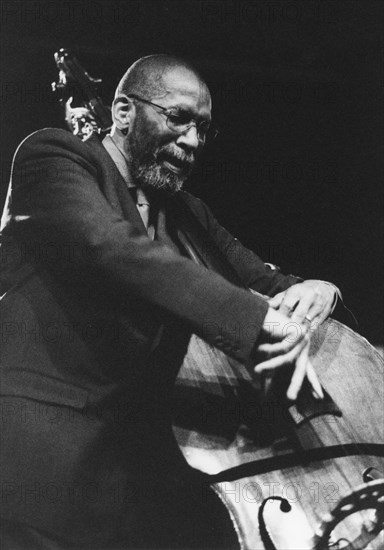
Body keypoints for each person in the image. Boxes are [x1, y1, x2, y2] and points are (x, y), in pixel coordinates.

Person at [0, 54, 338, 549]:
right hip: (36, 461)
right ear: (122, 111)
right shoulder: (53, 157)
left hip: (131, 489)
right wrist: (255, 321)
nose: (193, 142)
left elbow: (264, 282)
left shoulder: (187, 214)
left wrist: (322, 289)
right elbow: (109, 247)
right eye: (178, 119)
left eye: (203, 129)